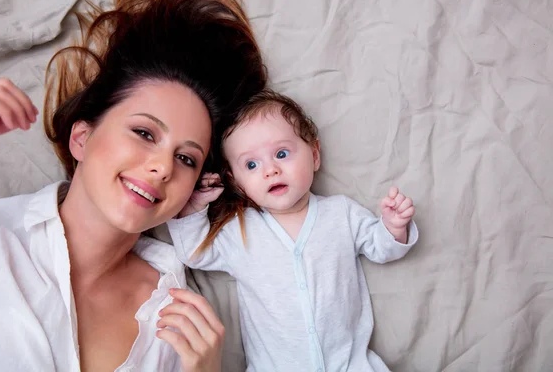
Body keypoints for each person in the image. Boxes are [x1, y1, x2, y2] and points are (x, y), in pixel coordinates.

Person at [0, 0, 266, 371]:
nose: (163, 166)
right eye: (144, 132)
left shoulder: (177, 318)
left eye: (187, 158)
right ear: (81, 138)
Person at [167, 89, 419, 372]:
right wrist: (194, 209)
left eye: (282, 153)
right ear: (236, 182)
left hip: (350, 364)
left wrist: (393, 227)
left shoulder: (341, 213)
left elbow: (381, 247)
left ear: (314, 155)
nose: (270, 170)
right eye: (251, 164)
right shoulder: (240, 230)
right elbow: (194, 253)